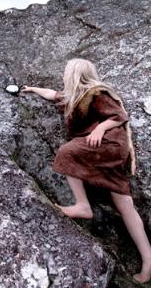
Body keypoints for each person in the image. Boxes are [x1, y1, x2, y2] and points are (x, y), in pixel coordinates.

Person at [22, 58, 151, 283]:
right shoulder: (75, 96)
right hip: (105, 153)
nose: (63, 76)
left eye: (66, 72)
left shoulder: (96, 93)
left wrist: (100, 128)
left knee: (68, 152)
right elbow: (53, 95)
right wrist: (32, 89)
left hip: (108, 144)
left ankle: (83, 206)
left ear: (75, 75)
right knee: (125, 205)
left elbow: (119, 116)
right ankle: (149, 259)